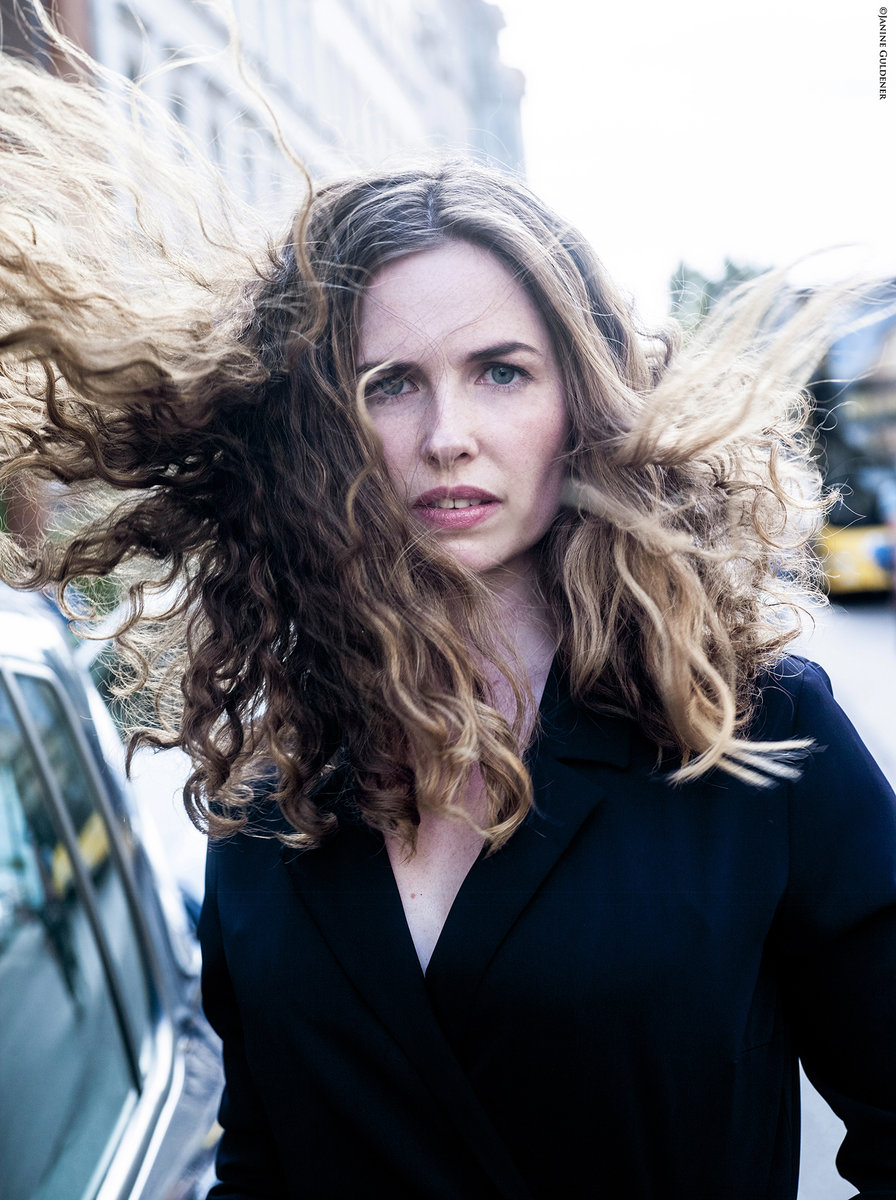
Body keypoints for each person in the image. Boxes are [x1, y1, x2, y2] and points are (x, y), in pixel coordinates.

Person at [0, 43, 895, 1200]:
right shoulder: (265, 800)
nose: (446, 436)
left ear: (580, 398)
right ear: (323, 429)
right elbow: (262, 1166)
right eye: (390, 385)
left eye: (500, 371)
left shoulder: (746, 728)